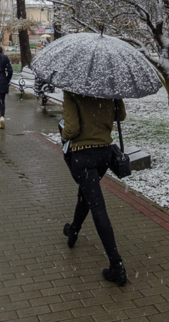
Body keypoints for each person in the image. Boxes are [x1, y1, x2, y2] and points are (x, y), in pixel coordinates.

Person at [60, 91, 127, 286]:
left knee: (97, 205)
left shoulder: (72, 90)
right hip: (104, 154)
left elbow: (72, 129)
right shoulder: (108, 88)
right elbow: (120, 115)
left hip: (83, 155)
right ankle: (73, 230)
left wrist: (63, 133)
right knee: (87, 195)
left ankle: (116, 265)